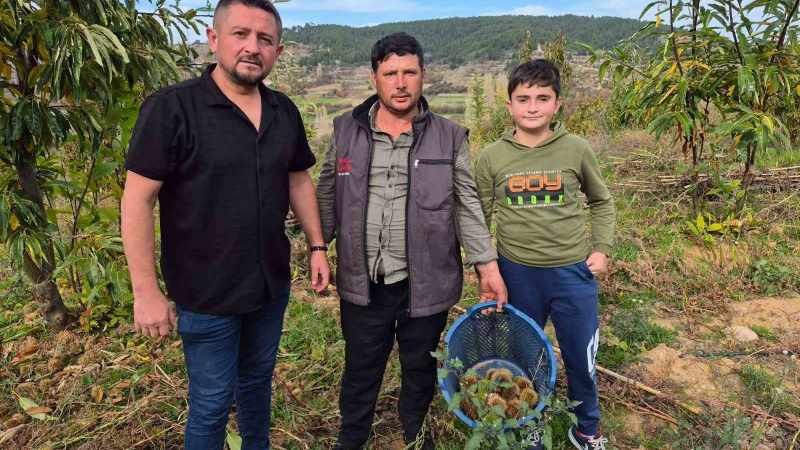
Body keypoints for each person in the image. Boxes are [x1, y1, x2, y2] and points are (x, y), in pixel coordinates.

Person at [120, 1, 330, 449]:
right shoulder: (172, 109)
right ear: (214, 40)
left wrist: (317, 246)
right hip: (205, 294)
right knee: (212, 402)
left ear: (278, 51)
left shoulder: (283, 111)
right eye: (241, 34)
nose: (253, 47)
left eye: (265, 39)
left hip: (269, 287)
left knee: (257, 383)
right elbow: (137, 199)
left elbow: (298, 179)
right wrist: (146, 291)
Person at [316, 32, 508, 450]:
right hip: (362, 280)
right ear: (374, 78)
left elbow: (466, 203)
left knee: (419, 367)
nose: (400, 83)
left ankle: (416, 435)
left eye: (409, 72)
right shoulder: (346, 130)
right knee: (360, 366)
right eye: (390, 74)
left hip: (426, 281)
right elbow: (328, 191)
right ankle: (352, 437)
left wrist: (487, 265)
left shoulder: (449, 136)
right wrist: (317, 247)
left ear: (423, 75)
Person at [473, 59, 615, 450]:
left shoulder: (575, 149)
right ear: (509, 105)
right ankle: (531, 424)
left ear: (557, 104)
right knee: (526, 356)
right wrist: (485, 271)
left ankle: (586, 428)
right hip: (517, 275)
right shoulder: (492, 157)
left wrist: (601, 249)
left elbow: (601, 200)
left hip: (572, 274)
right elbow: (477, 217)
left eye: (542, 98)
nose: (532, 107)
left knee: (581, 356)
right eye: (523, 99)